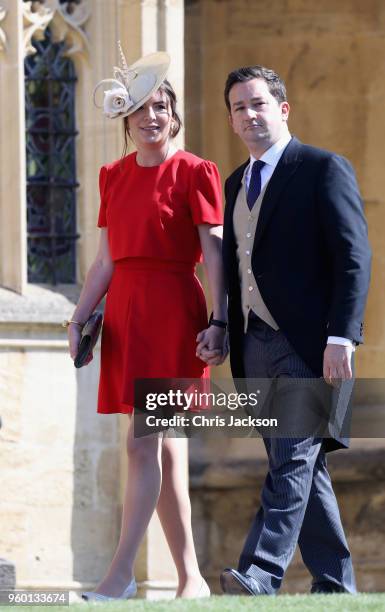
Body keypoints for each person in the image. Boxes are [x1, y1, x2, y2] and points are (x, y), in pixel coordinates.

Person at [65, 48, 227, 601]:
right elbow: (106, 262)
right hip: (126, 318)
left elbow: (215, 254)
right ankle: (191, 580)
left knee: (142, 446)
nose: (151, 118)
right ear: (125, 120)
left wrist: (219, 321)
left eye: (160, 107)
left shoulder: (197, 171)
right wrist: (81, 315)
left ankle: (119, 574)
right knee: (165, 451)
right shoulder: (112, 177)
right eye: (139, 110)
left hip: (174, 315)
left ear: (173, 115)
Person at [216, 65, 371, 595]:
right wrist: (221, 326)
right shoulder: (236, 182)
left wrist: (342, 336)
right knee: (300, 464)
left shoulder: (324, 168)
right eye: (239, 107)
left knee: (292, 459)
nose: (249, 114)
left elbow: (354, 258)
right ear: (232, 121)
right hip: (253, 344)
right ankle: (335, 586)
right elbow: (238, 268)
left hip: (313, 345)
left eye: (258, 103)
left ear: (283, 109)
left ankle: (260, 573)